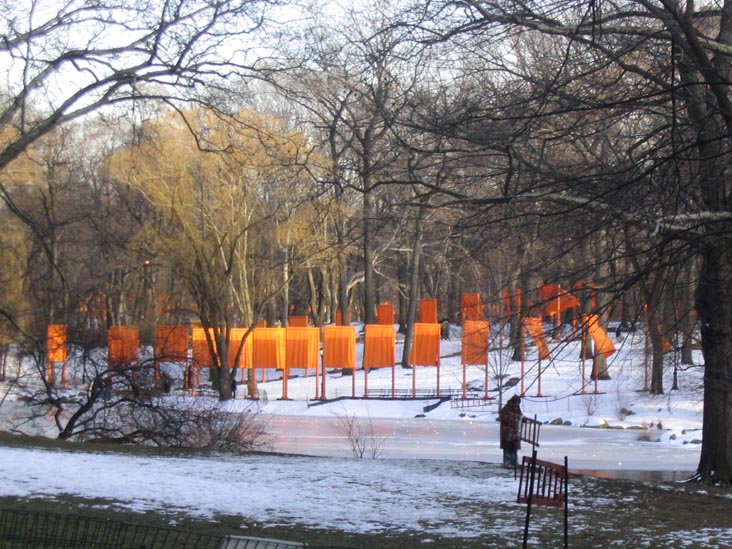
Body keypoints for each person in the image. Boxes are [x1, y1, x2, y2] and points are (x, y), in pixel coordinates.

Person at [499, 395, 523, 467]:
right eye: (516, 403)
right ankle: (507, 462)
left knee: (514, 448)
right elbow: (503, 417)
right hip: (507, 431)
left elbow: (519, 416)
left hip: (514, 431)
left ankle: (514, 462)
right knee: (507, 447)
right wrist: (509, 421)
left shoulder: (517, 408)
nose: (517, 405)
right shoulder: (507, 408)